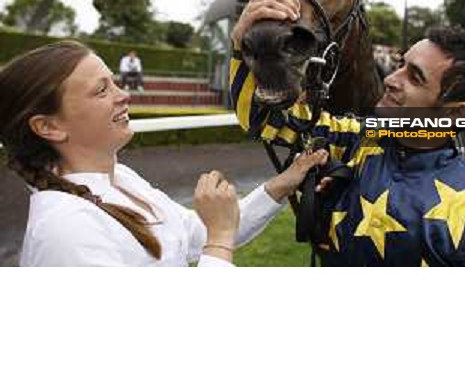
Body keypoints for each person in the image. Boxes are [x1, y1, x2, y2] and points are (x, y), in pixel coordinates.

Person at [229, 0, 465, 267]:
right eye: (400, 65)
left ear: (455, 113)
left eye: (414, 77)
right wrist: (243, 41)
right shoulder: (351, 139)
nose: (390, 79)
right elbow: (266, 119)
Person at [0, 41, 328, 267]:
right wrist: (220, 239)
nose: (124, 95)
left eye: (114, 83)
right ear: (48, 127)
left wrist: (284, 182)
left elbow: (196, 233)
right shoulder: (65, 229)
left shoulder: (121, 178)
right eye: (102, 90)